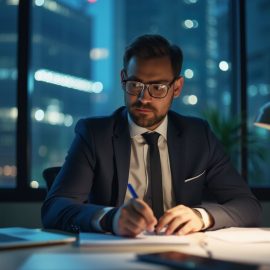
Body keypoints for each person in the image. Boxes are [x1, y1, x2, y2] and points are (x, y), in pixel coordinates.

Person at [42, 34, 262, 237]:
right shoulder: (94, 134)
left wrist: (201, 217)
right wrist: (111, 218)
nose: (143, 98)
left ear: (177, 87)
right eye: (135, 84)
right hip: (114, 256)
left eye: (157, 87)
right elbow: (55, 208)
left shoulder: (198, 135)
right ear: (123, 79)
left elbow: (248, 206)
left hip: (184, 254)